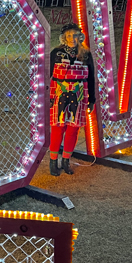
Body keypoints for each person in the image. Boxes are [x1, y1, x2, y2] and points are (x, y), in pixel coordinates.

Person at [48, 23, 96, 176]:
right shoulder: (56, 53)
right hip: (59, 93)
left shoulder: (86, 54)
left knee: (73, 129)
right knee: (58, 127)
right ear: (64, 37)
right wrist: (47, 96)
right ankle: (53, 160)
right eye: (69, 35)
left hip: (79, 94)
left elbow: (91, 77)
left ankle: (66, 160)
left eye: (75, 35)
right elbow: (47, 75)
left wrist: (92, 99)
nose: (72, 38)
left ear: (79, 37)